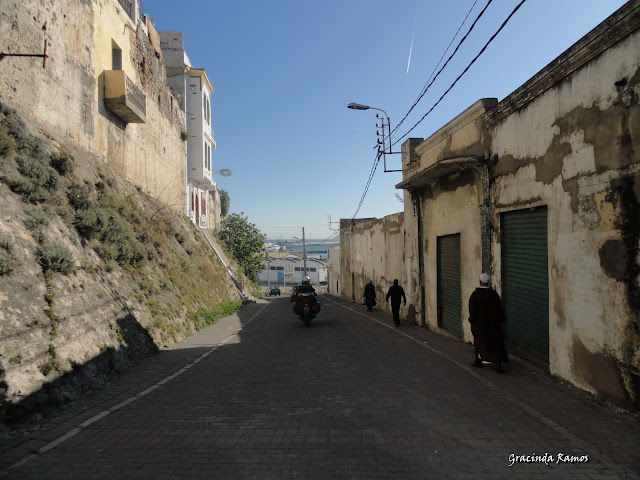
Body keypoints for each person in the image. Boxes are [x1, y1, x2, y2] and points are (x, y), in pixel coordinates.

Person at [468, 273, 509, 374]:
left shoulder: (475, 295)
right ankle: (498, 363)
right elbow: (500, 310)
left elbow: (472, 311)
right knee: (496, 344)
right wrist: (500, 320)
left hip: (480, 325)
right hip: (493, 325)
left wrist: (472, 321)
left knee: (478, 343)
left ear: (480, 282)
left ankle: (478, 361)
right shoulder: (493, 295)